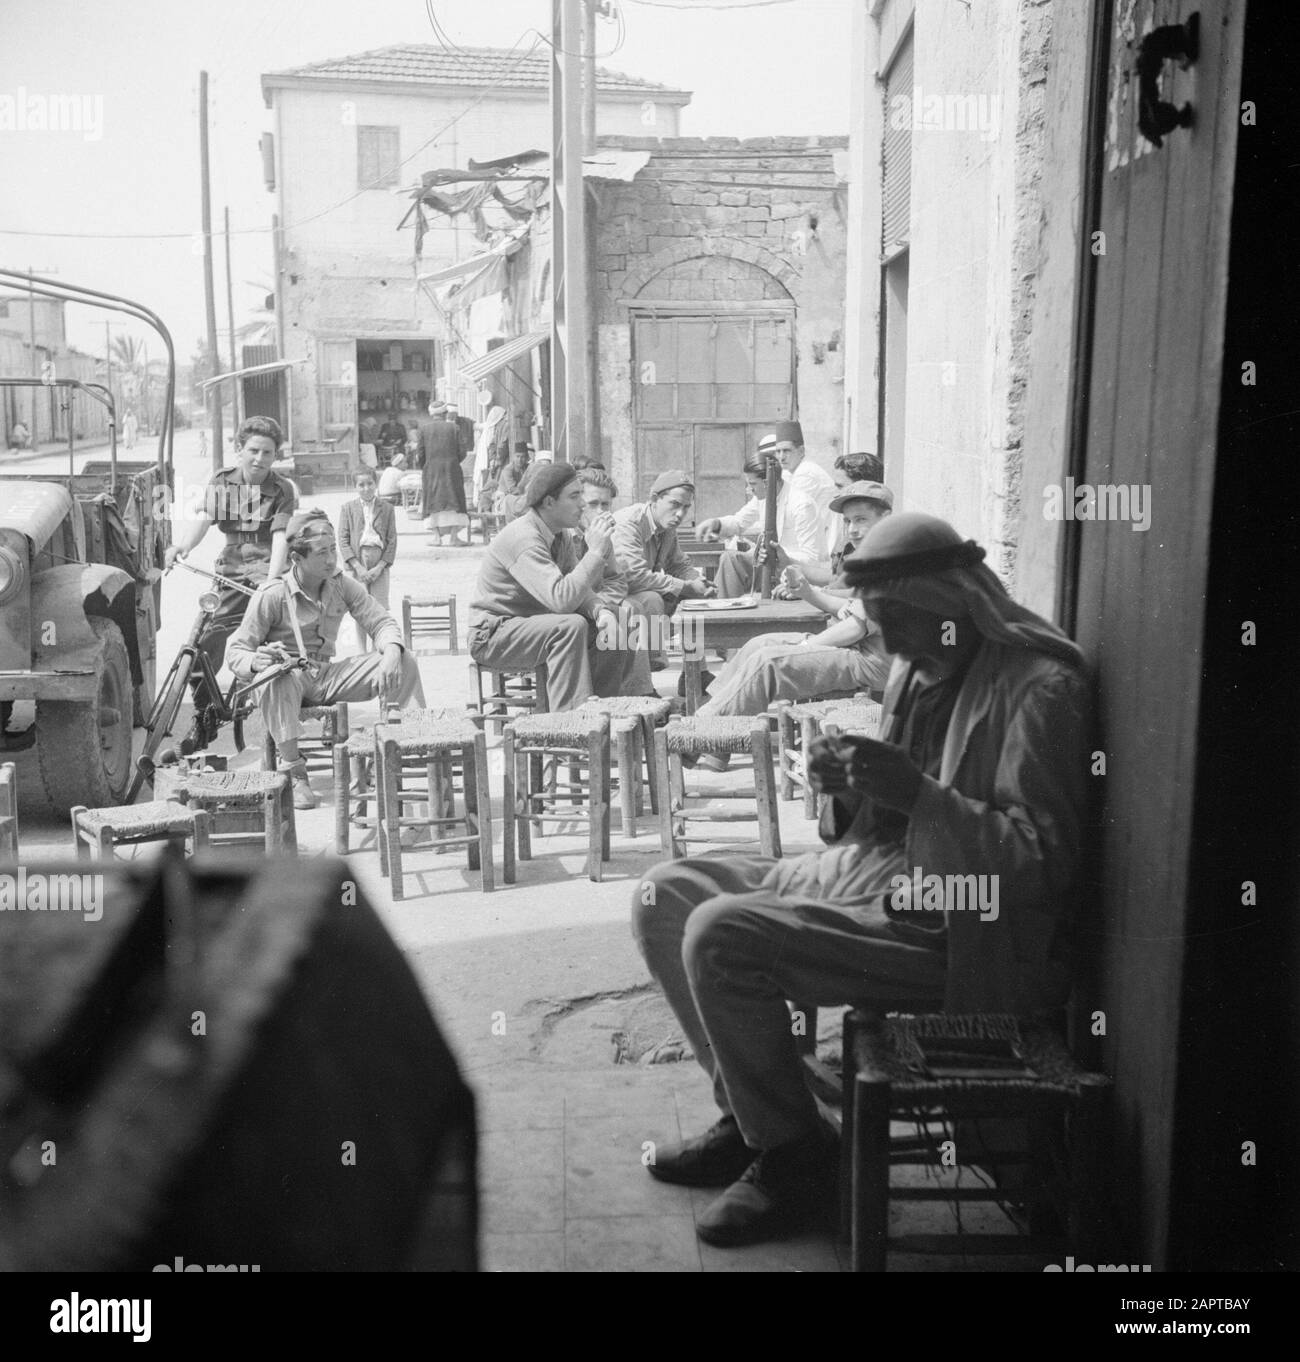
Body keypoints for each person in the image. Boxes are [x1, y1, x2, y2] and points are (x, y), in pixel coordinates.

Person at [632, 510, 1092, 1247]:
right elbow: (876, 823)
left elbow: (1039, 864)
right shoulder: (917, 666)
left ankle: (789, 1157)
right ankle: (764, 1122)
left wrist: (918, 796)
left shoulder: (1040, 689)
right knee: (666, 894)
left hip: (962, 922)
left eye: (894, 622)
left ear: (951, 607)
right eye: (876, 622)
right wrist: (846, 787)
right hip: (876, 874)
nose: (884, 642)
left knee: (720, 935)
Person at [227, 509, 422, 810]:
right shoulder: (272, 595)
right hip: (286, 679)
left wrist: (392, 651)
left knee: (405, 659)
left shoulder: (340, 584)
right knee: (279, 674)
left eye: (333, 550)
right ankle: (294, 771)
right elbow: (236, 651)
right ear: (297, 559)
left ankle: (391, 747)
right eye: (322, 553)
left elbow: (381, 622)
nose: (332, 559)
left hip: (326, 675)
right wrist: (256, 661)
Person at [690, 482, 896, 756]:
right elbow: (849, 607)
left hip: (875, 662)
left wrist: (803, 648)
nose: (852, 529)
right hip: (859, 648)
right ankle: (712, 733)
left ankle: (697, 737)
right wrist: (807, 592)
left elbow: (855, 628)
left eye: (861, 520)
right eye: (847, 521)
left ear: (886, 519)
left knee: (770, 662)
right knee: (759, 645)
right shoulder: (873, 554)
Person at [164, 415, 296, 751]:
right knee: (202, 648)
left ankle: (286, 733)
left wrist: (271, 582)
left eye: (267, 452)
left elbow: (281, 537)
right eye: (253, 450)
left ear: (275, 455)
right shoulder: (223, 482)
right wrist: (182, 546)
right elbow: (205, 520)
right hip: (231, 571)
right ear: (239, 450)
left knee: (282, 649)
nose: (259, 459)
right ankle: (205, 719)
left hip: (267, 568)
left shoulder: (282, 489)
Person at [468, 462, 643, 711]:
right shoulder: (524, 538)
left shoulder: (560, 534)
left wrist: (601, 612)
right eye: (574, 496)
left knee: (620, 618)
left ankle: (604, 711)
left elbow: (577, 587)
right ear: (549, 502)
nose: (582, 504)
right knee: (570, 625)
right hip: (494, 634)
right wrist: (595, 553)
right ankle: (568, 726)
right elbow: (562, 600)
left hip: (532, 625)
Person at [611, 470, 716, 669]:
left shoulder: (667, 527)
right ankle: (646, 677)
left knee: (695, 599)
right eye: (675, 505)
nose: (680, 514)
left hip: (638, 590)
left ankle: (695, 674)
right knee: (652, 598)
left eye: (686, 507)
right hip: (613, 594)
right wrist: (686, 586)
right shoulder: (629, 523)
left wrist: (697, 581)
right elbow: (634, 576)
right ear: (654, 499)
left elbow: (679, 564)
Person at [697, 449, 827, 597]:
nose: (749, 490)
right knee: (730, 559)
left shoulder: (802, 505)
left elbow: (811, 559)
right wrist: (715, 523)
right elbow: (739, 522)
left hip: (794, 570)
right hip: (770, 564)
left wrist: (778, 555)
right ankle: (721, 610)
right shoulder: (764, 496)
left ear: (767, 482)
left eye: (752, 484)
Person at [576, 467, 655, 697]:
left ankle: (637, 691)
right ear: (578, 502)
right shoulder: (568, 536)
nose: (601, 511)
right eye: (593, 504)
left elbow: (617, 580)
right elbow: (566, 588)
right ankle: (620, 693)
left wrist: (603, 604)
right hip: (570, 608)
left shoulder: (603, 535)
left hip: (596, 605)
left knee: (635, 607)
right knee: (628, 612)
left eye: (606, 505)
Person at [338, 468, 399, 652]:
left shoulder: (386, 508)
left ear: (376, 483)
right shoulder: (348, 508)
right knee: (360, 607)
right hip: (358, 561)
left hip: (379, 561)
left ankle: (376, 648)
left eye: (369, 483)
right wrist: (357, 567)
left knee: (379, 607)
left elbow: (392, 539)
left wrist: (380, 567)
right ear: (355, 486)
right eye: (361, 485)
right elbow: (343, 539)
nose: (366, 488)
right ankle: (362, 650)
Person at [417, 401, 468, 545]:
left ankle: (437, 538)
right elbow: (462, 452)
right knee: (454, 500)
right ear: (445, 413)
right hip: (451, 469)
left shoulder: (424, 430)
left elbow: (420, 454)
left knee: (433, 500)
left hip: (431, 470)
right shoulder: (454, 428)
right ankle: (453, 537)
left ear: (431, 414)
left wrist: (427, 466)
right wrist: (452, 461)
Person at [494, 442, 532, 518]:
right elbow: (513, 490)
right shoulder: (508, 469)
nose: (520, 460)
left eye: (523, 457)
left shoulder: (527, 467)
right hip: (504, 498)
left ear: (527, 458)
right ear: (513, 457)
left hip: (518, 498)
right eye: (517, 456)